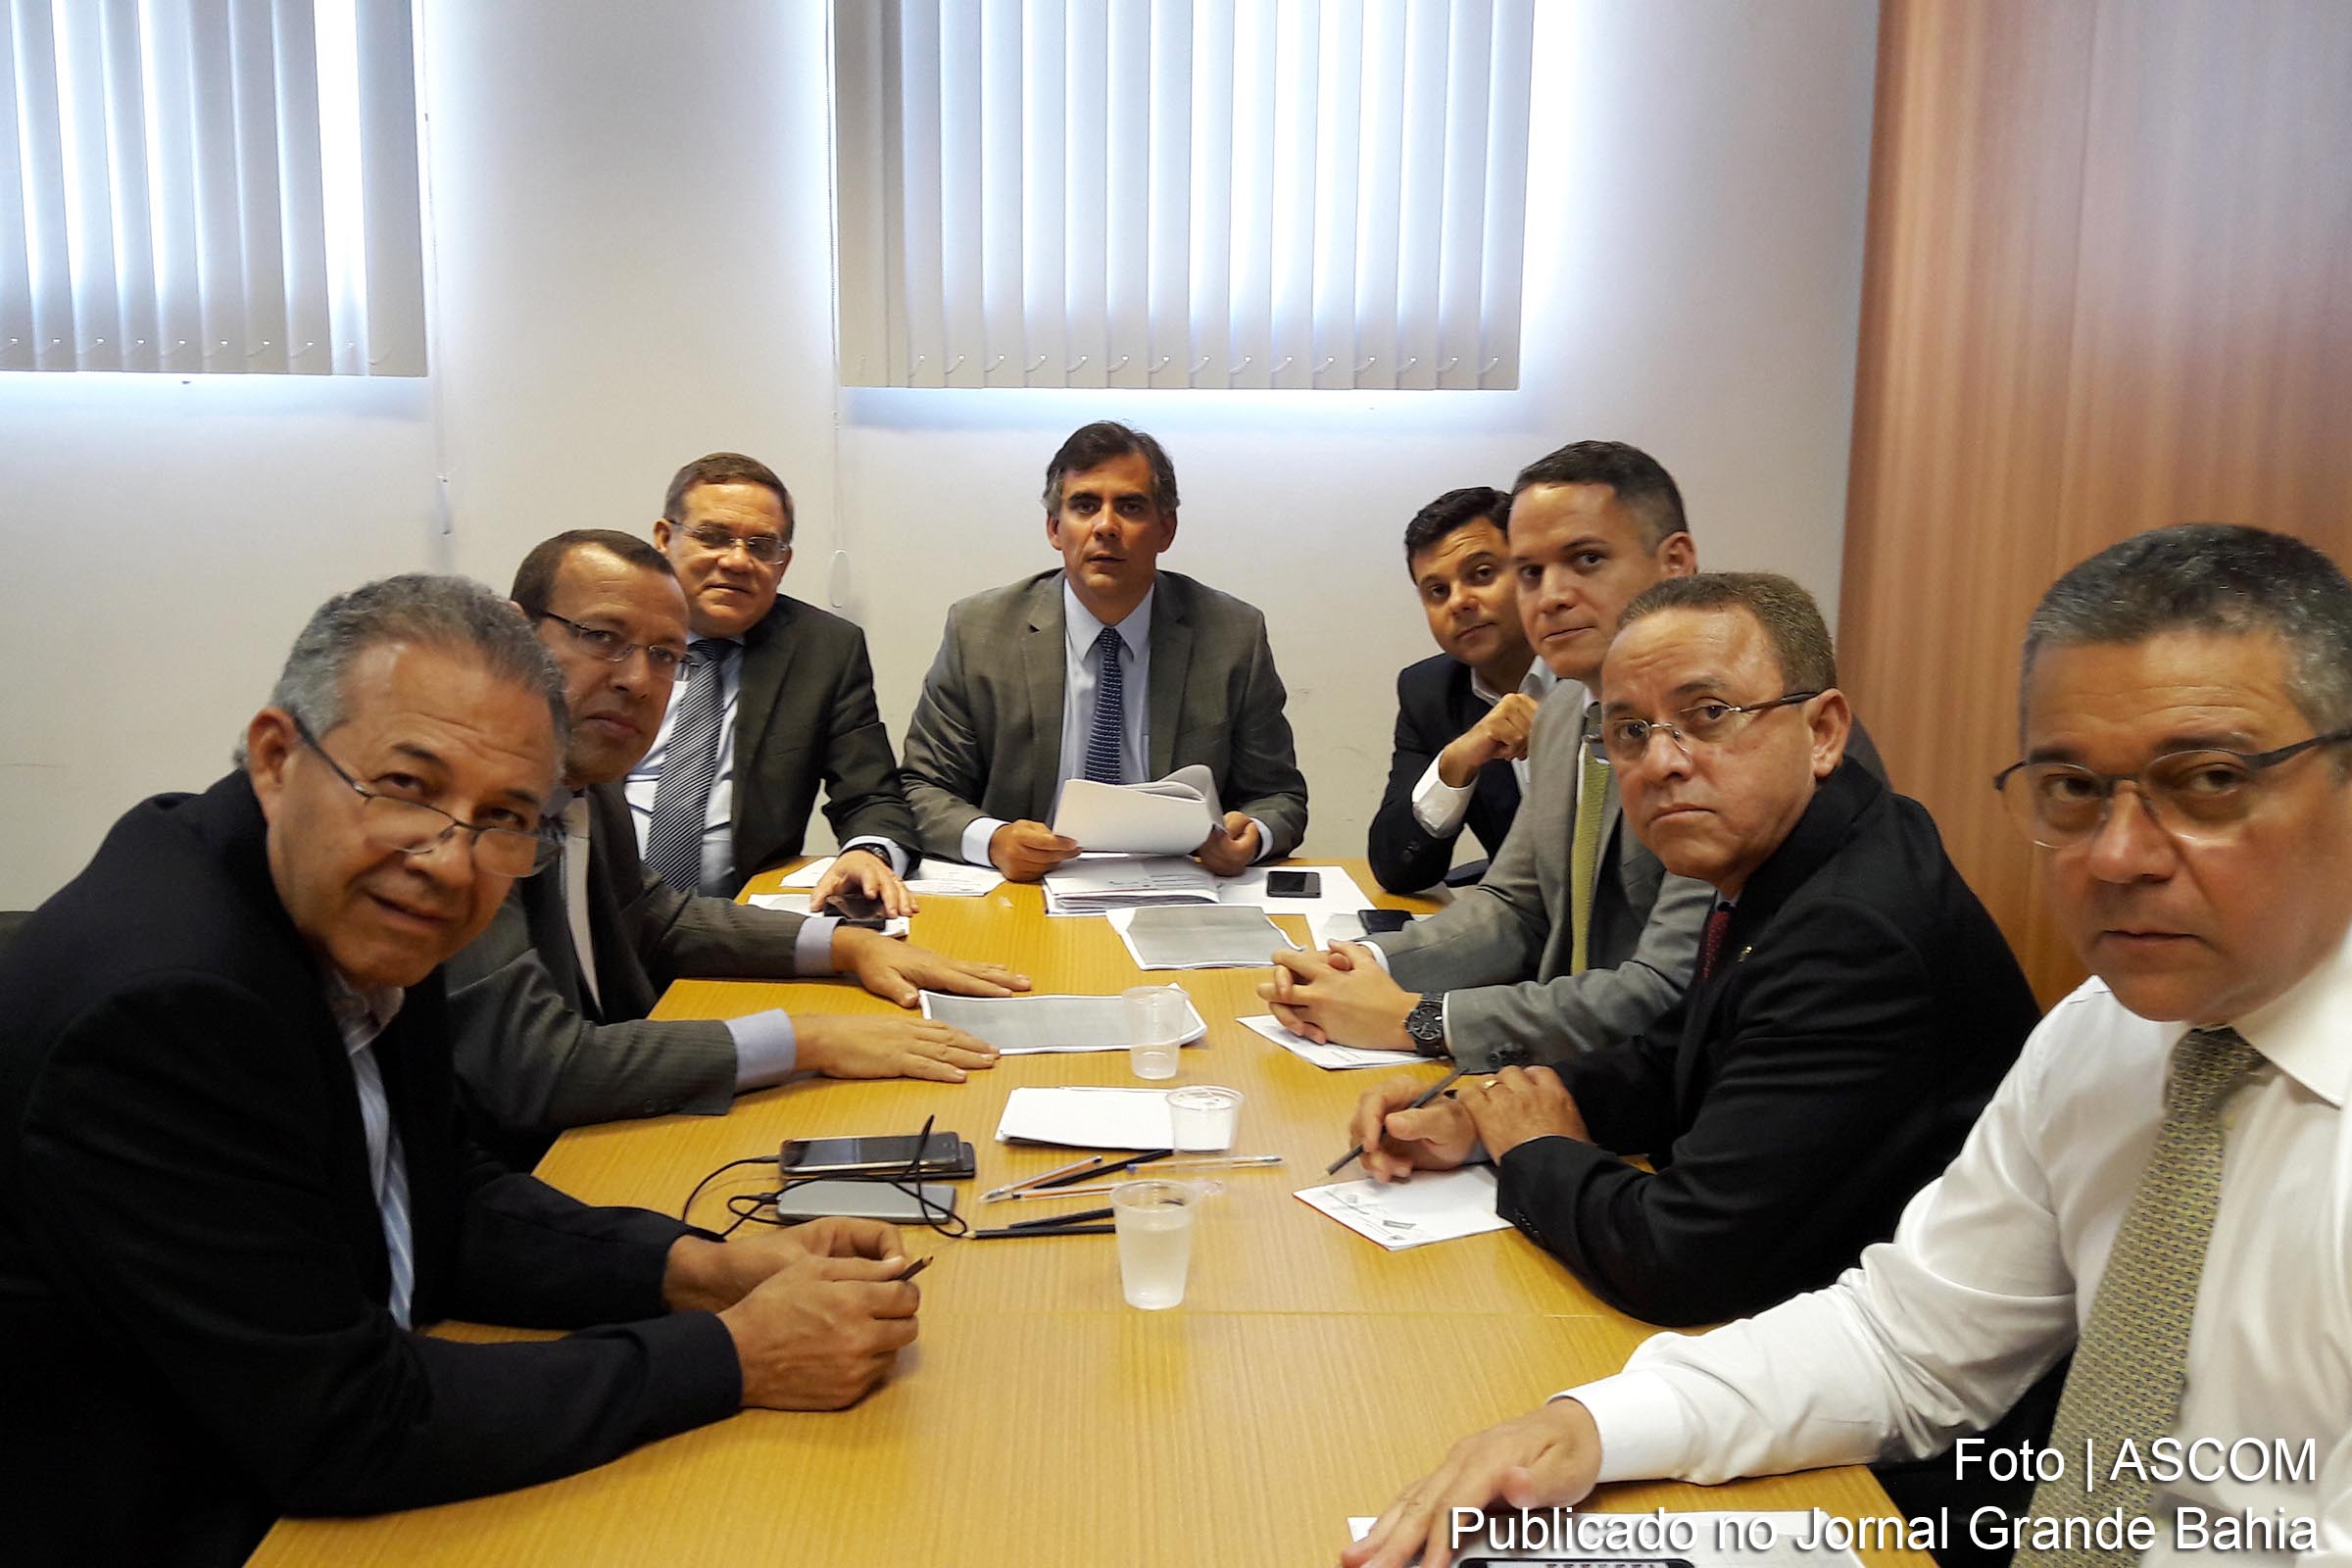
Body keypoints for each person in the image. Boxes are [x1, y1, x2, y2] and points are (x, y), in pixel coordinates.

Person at [1347, 524, 2352, 1568]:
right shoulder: (2105, 1039)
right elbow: (1908, 1340)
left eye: (2213, 780)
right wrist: (1594, 1425)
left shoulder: (1868, 925)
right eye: (2072, 788)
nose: (2120, 854)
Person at [0, 576, 925, 1568]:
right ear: (277, 758)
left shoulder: (337, 898)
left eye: (503, 817)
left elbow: (443, 1195)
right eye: (406, 786)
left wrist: (698, 1268)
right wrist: (741, 1353)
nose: (451, 857)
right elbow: (344, 1422)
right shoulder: (166, 1006)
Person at [1341, 572, 2035, 1325]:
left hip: (1924, 1390)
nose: (1662, 763)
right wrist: (1479, 1116)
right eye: (1631, 731)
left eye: (1709, 715)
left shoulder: (1853, 931)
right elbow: (1672, 1063)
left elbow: (1680, 1259)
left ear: (1824, 732)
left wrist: (1533, 1149)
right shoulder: (1796, 850)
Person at [445, 532, 1026, 1166]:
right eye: (602, 637)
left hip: (610, 1136)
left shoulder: (585, 779)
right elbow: (540, 1066)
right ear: (517, 633)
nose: (639, 682)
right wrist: (804, 1042)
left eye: (666, 656)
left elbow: (655, 915)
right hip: (510, 1182)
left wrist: (845, 944)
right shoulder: (465, 816)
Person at [1265, 441, 1719, 1067]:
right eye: (1531, 572)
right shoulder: (1570, 710)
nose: (1551, 597)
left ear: (1675, 566)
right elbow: (1514, 908)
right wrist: (1365, 963)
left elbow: (1669, 989)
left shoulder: (1726, 727)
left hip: (1689, 1087)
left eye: (1585, 559)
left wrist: (1421, 1019)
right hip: (1582, 1069)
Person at [899, 419, 1309, 880]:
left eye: (1130, 507)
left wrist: (1253, 834)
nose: (1106, 526)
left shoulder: (1232, 635)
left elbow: (1280, 796)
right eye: (1085, 505)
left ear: (1165, 530)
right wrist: (992, 840)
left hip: (1177, 887)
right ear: (1055, 528)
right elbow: (921, 788)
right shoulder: (978, 632)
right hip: (1030, 890)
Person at [632, 452, 919, 916]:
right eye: (713, 537)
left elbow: (870, 795)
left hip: (740, 921)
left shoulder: (822, 650)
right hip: (598, 914)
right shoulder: (606, 635)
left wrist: (869, 852)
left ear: (783, 563)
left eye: (762, 546)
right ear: (665, 540)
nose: (737, 561)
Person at [1368, 485, 1552, 895]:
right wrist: (1455, 763)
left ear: (1530, 573)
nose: (1459, 602)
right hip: (1522, 930)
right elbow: (1397, 868)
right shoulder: (1429, 693)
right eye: (1437, 591)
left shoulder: (1597, 671)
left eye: (1482, 574)